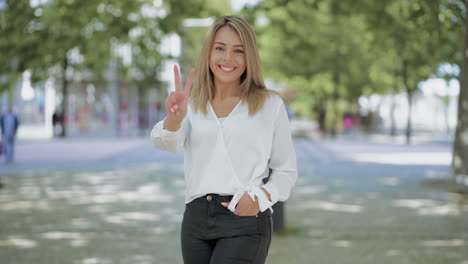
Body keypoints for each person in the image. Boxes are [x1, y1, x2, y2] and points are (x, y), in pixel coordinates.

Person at [151, 16, 297, 264]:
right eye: (220, 48)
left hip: (245, 219)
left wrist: (260, 198)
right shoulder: (192, 103)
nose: (228, 58)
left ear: (249, 56)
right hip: (195, 221)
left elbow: (286, 171)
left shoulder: (270, 105)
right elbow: (166, 143)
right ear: (208, 53)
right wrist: (174, 118)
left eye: (238, 51)